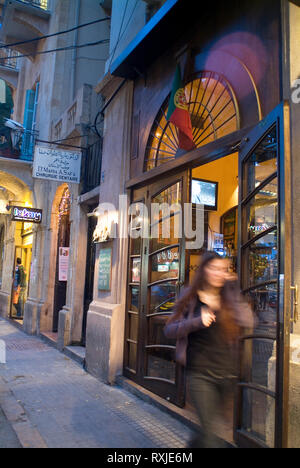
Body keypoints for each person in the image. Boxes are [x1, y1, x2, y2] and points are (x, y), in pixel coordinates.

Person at [164, 251, 254, 448]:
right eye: (213, 268)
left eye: (222, 269)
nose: (218, 273)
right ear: (204, 270)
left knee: (207, 431)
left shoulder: (229, 297)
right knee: (211, 436)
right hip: (200, 374)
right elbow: (169, 330)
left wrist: (233, 288)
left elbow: (248, 320)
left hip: (226, 374)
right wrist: (197, 322)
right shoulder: (190, 297)